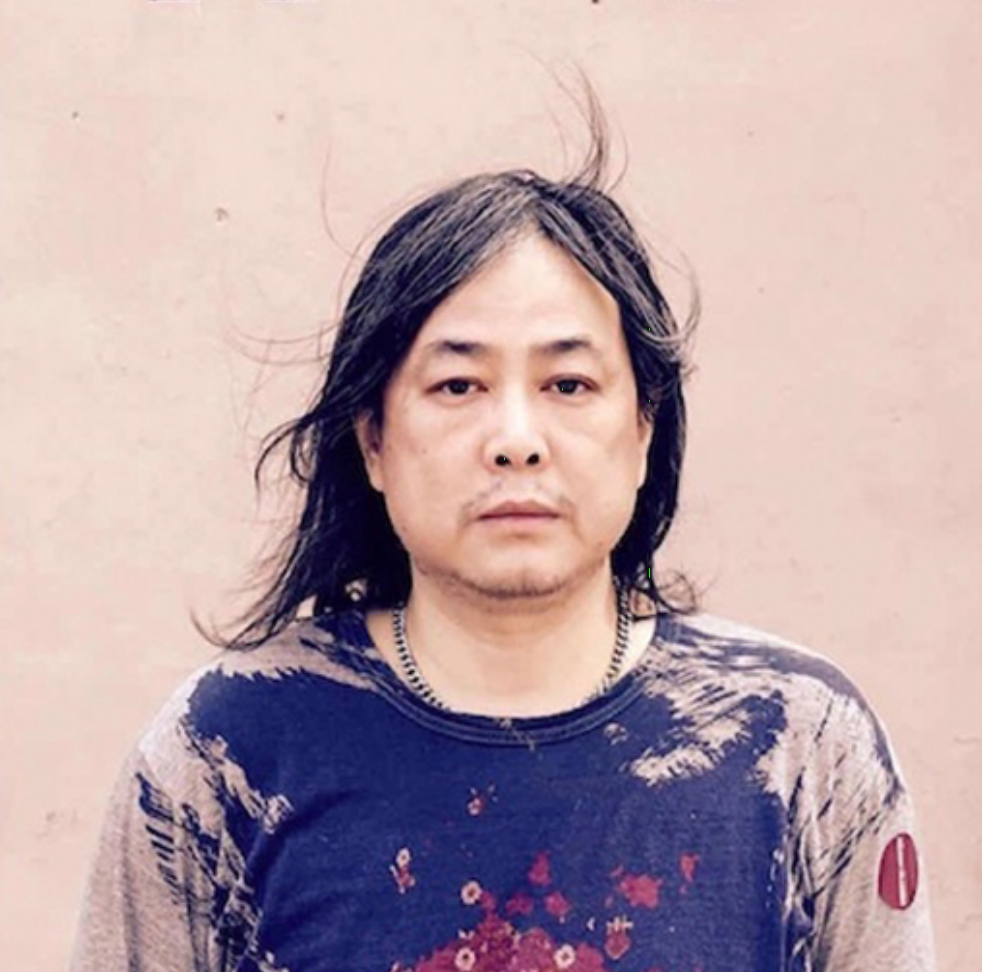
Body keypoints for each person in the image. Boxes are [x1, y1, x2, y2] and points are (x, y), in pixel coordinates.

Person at [70, 128, 937, 972]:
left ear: (644, 429)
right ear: (373, 439)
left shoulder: (797, 742)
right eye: (458, 385)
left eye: (569, 383)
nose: (516, 439)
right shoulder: (225, 754)